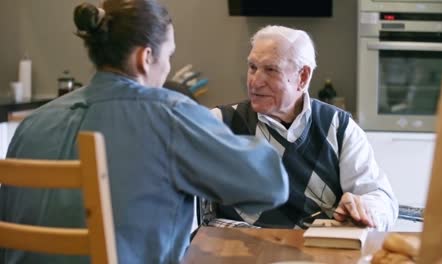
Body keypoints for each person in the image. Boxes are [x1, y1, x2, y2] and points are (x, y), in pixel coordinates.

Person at [0, 2, 289, 264]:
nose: (168, 67)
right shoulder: (169, 115)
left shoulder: (32, 124)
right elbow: (271, 185)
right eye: (169, 55)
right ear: (145, 57)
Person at [204, 25, 398, 231]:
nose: (255, 81)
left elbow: (382, 199)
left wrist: (364, 210)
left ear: (303, 76)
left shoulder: (339, 127)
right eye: (252, 67)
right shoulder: (219, 124)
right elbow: (195, 213)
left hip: (319, 252)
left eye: (270, 69)